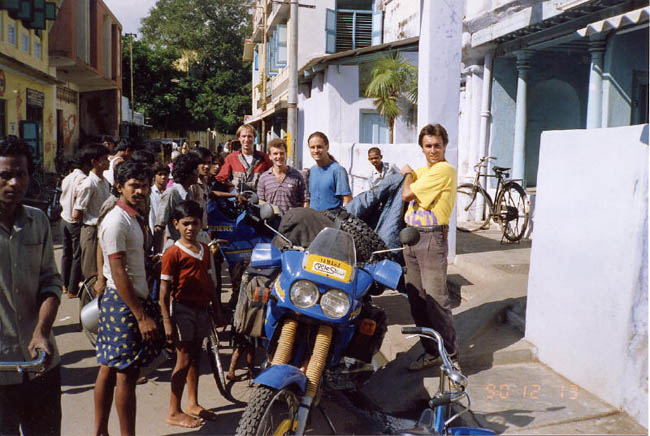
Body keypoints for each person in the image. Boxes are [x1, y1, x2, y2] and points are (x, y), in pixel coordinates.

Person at [0, 137, 63, 435]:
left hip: (41, 365)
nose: (14, 182)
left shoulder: (38, 221)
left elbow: (50, 282)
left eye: (21, 174)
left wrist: (42, 331)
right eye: (4, 175)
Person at [93, 160, 161, 436]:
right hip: (123, 303)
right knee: (125, 373)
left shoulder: (132, 216)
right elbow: (118, 271)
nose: (141, 191)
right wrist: (141, 315)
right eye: (134, 185)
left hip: (128, 300)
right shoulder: (116, 221)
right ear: (119, 187)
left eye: (144, 185)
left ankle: (100, 432)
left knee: (109, 368)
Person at [400, 124, 458, 371]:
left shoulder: (444, 170)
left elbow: (406, 194)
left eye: (437, 145)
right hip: (411, 239)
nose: (433, 150)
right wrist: (412, 176)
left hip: (431, 239)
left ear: (445, 145)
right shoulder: (425, 171)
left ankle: (451, 356)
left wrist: (407, 175)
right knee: (417, 299)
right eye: (428, 146)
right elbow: (412, 187)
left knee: (436, 300)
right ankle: (431, 352)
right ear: (421, 147)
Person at [160, 201, 220, 428]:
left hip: (202, 309)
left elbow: (209, 282)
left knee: (196, 357)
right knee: (183, 359)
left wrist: (217, 309)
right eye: (185, 224)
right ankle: (173, 410)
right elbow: (164, 291)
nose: (190, 228)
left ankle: (192, 403)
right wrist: (167, 321)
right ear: (176, 225)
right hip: (182, 310)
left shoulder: (204, 250)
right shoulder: (172, 253)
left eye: (195, 223)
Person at [73, 143, 111, 280]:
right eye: (105, 159)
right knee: (91, 271)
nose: (108, 161)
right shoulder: (88, 184)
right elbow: (77, 213)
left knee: (103, 270)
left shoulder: (105, 181)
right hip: (91, 230)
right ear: (95, 162)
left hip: (102, 229)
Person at [154, 153, 201, 254]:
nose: (198, 174)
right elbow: (159, 227)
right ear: (189, 173)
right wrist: (157, 256)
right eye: (196, 170)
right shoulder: (171, 194)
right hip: (174, 249)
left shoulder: (189, 193)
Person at [59, 151, 90, 298]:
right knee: (78, 255)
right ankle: (72, 289)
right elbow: (79, 199)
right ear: (85, 164)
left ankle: (65, 285)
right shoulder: (83, 179)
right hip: (75, 221)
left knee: (67, 253)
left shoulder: (67, 178)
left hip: (64, 218)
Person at [215, 124, 271, 196]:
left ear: (255, 138)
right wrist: (233, 188)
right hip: (238, 200)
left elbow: (273, 176)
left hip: (260, 199)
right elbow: (221, 178)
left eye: (250, 136)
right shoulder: (231, 158)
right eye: (243, 136)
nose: (246, 140)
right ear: (239, 138)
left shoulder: (263, 158)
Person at [257, 138, 309, 212]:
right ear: (270, 156)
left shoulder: (298, 176)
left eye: (282, 153)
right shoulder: (263, 178)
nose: (279, 156)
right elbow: (260, 204)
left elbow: (305, 201)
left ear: (286, 154)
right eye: (275, 154)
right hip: (270, 222)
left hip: (292, 221)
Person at [307, 131, 351, 211]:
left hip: (330, 221)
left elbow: (347, 200)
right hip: (313, 220)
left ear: (327, 147)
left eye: (319, 147)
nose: (316, 150)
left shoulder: (338, 171)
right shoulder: (312, 171)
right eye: (312, 147)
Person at [189, 147, 213, 226]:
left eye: (209, 163)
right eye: (203, 163)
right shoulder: (192, 185)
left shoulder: (204, 181)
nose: (207, 166)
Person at [149, 162, 170, 235]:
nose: (163, 177)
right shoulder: (150, 194)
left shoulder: (170, 193)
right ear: (154, 176)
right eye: (160, 174)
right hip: (155, 232)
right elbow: (151, 218)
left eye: (165, 174)